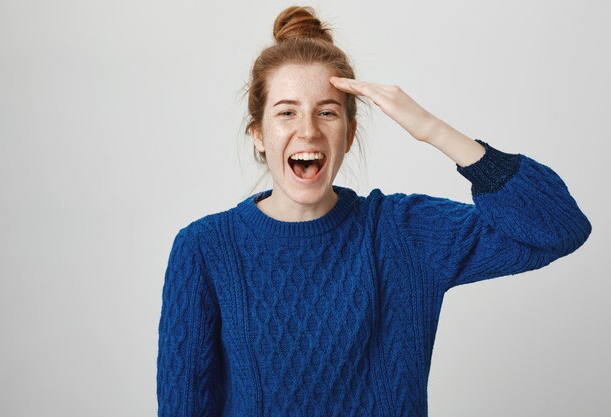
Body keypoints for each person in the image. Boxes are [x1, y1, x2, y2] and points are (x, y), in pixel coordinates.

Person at [156, 6, 592, 417]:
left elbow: (559, 228)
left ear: (348, 134)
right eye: (286, 113)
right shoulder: (205, 249)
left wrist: (433, 130)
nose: (308, 129)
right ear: (258, 134)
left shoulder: (400, 233)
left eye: (327, 113)